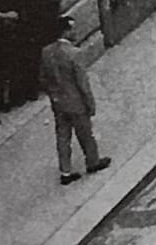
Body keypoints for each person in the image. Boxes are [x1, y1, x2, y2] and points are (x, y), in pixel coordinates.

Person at [38, 14, 110, 185]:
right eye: (73, 29)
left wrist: (53, 94)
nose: (76, 32)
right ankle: (92, 162)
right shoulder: (74, 54)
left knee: (63, 137)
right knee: (86, 134)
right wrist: (90, 103)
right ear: (66, 31)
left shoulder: (46, 52)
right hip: (76, 102)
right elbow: (82, 83)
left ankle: (65, 172)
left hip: (58, 103)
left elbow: (42, 78)